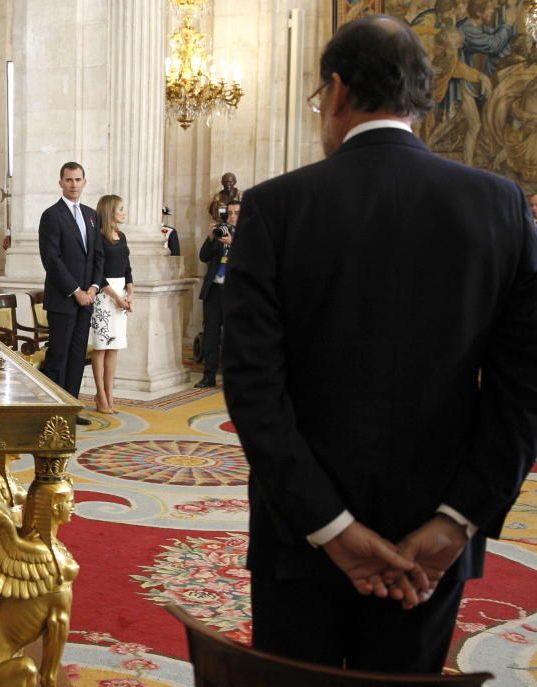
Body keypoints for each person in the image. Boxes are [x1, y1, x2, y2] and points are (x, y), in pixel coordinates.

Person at [223, 16, 537, 674]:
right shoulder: (501, 205)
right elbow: (524, 390)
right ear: (420, 94)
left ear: (336, 90)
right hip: (431, 544)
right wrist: (458, 520)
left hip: (300, 537)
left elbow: (253, 389)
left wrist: (332, 528)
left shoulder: (276, 207)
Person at [37, 162, 105, 426]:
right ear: (61, 183)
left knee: (77, 357)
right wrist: (76, 291)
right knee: (59, 356)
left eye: (78, 180)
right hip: (63, 299)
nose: (73, 184)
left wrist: (94, 288)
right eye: (68, 180)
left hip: (87, 299)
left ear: (84, 182)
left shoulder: (91, 215)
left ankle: (71, 409)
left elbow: (98, 255)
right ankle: (53, 412)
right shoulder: (51, 215)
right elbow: (51, 259)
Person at [90, 195, 134, 415]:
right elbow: (97, 272)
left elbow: (127, 268)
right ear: (109, 212)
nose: (124, 213)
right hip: (103, 295)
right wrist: (117, 298)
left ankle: (110, 396)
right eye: (120, 209)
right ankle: (100, 396)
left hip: (121, 294)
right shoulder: (97, 237)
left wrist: (130, 293)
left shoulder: (122, 236)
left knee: (114, 347)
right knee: (101, 348)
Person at [195, 199, 239, 389]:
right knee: (211, 335)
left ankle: (232, 378)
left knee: (232, 337)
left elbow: (254, 259)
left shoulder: (250, 234)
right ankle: (209, 376)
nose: (232, 216)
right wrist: (211, 238)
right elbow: (203, 256)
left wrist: (234, 243)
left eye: (237, 213)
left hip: (235, 293)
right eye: (230, 213)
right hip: (213, 290)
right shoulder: (220, 230)